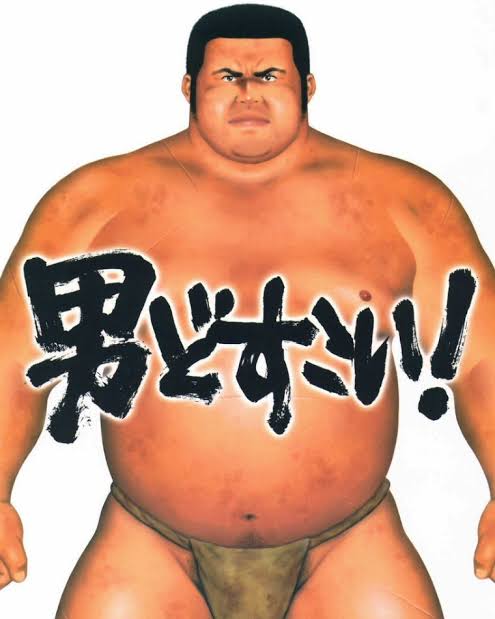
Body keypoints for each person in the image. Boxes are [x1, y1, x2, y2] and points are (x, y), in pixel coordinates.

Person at [0, 3, 494, 617]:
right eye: (228, 76)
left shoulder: (403, 201)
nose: (248, 93)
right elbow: (14, 357)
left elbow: (479, 356)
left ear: (308, 86)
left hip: (349, 543)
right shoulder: (96, 202)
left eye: (270, 76)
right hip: (150, 544)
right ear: (189, 86)